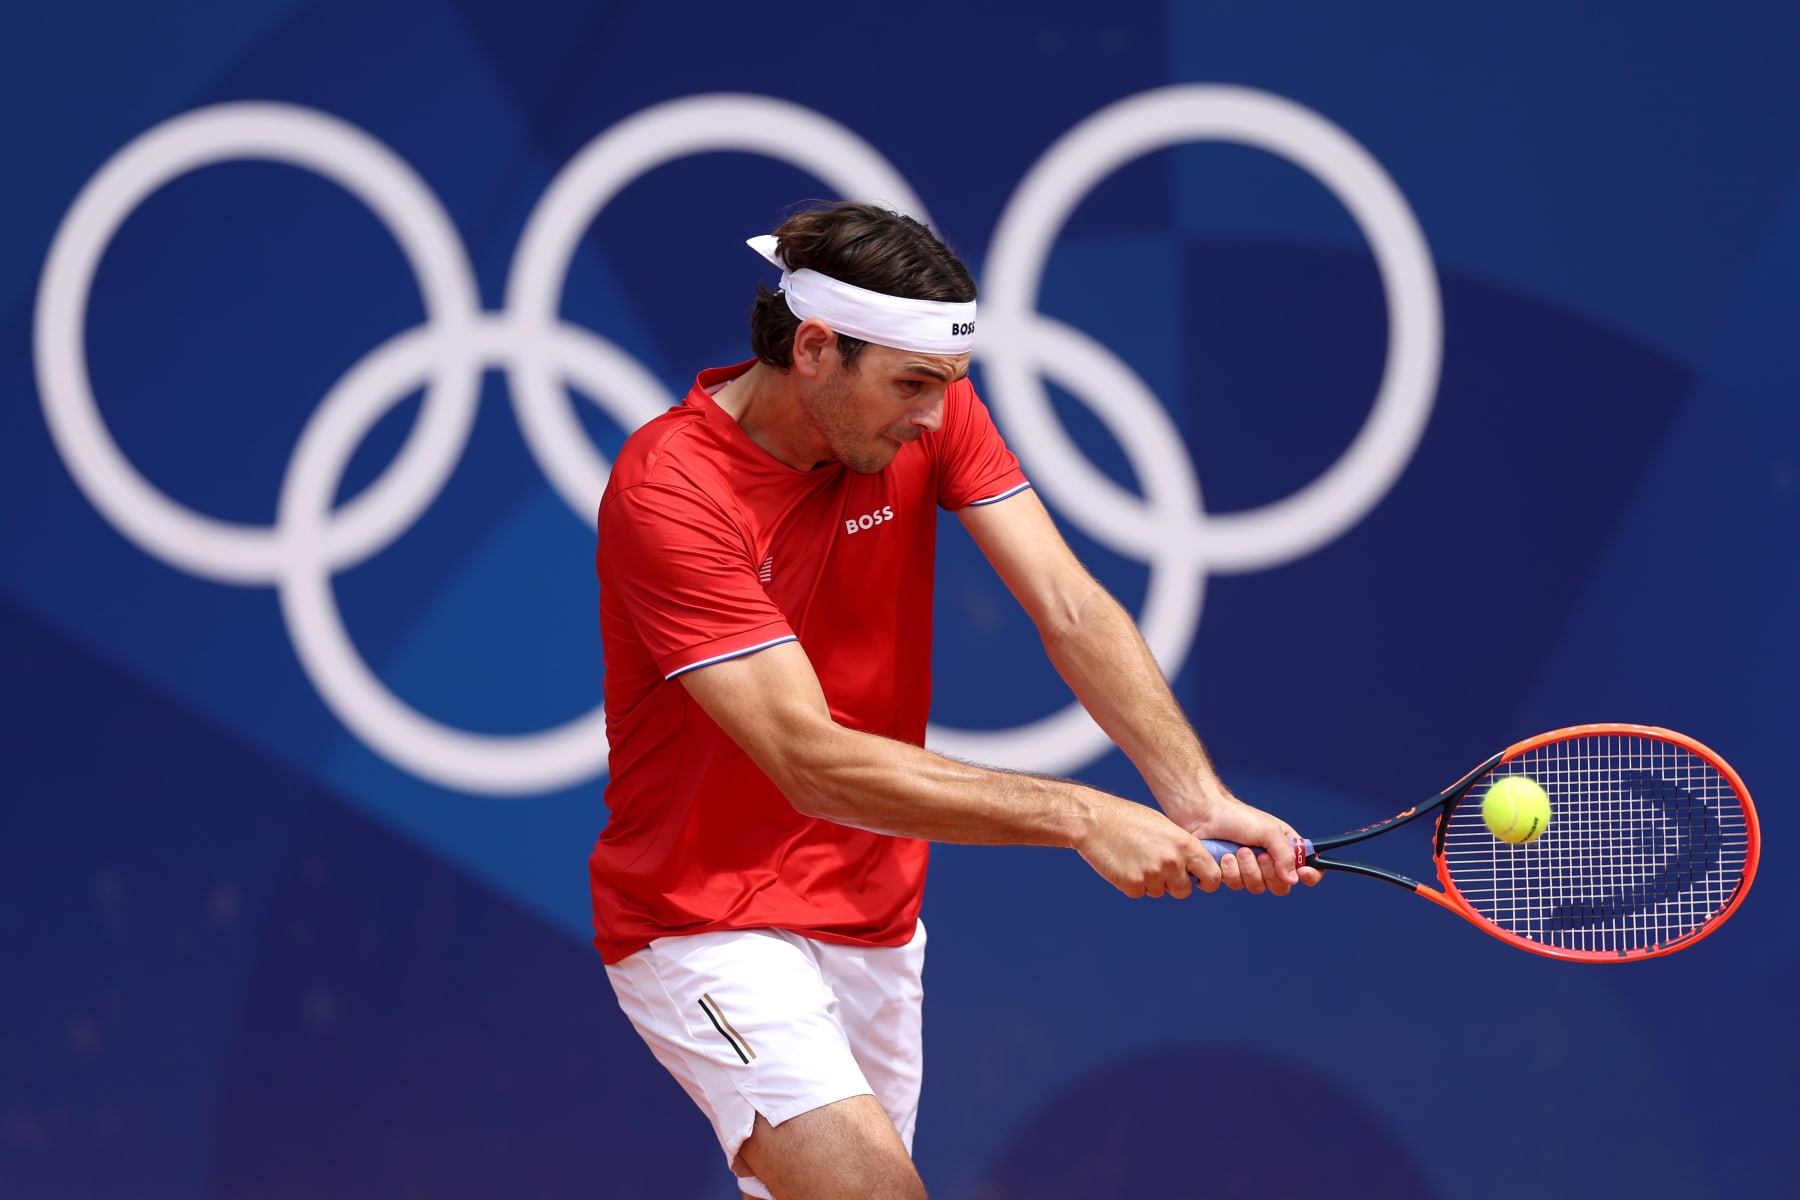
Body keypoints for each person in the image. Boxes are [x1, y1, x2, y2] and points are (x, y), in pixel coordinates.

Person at [590, 200, 1321, 1200]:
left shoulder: (925, 413)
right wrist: (1083, 815)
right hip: (708, 920)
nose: (935, 416)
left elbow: (1068, 604)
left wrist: (1195, 795)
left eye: (948, 383)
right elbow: (809, 760)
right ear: (814, 348)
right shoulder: (669, 489)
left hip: (877, 917)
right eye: (912, 384)